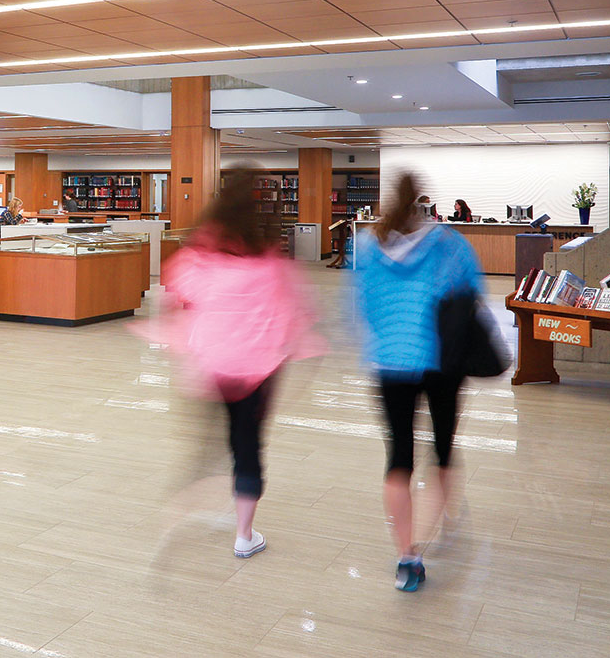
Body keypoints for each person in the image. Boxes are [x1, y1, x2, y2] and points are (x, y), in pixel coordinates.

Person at [145, 169, 321, 561]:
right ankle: (244, 534)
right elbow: (292, 312)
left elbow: (175, 295)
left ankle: (177, 513)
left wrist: (182, 344)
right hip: (258, 367)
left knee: (204, 446)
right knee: (247, 447)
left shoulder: (201, 249)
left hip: (212, 362)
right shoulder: (270, 257)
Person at [353, 172, 482, 592]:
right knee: (442, 451)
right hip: (443, 363)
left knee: (399, 459)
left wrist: (389, 337)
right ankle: (441, 518)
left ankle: (407, 556)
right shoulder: (448, 244)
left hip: (390, 364)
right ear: (421, 204)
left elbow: (360, 307)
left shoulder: (369, 249)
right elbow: (472, 293)